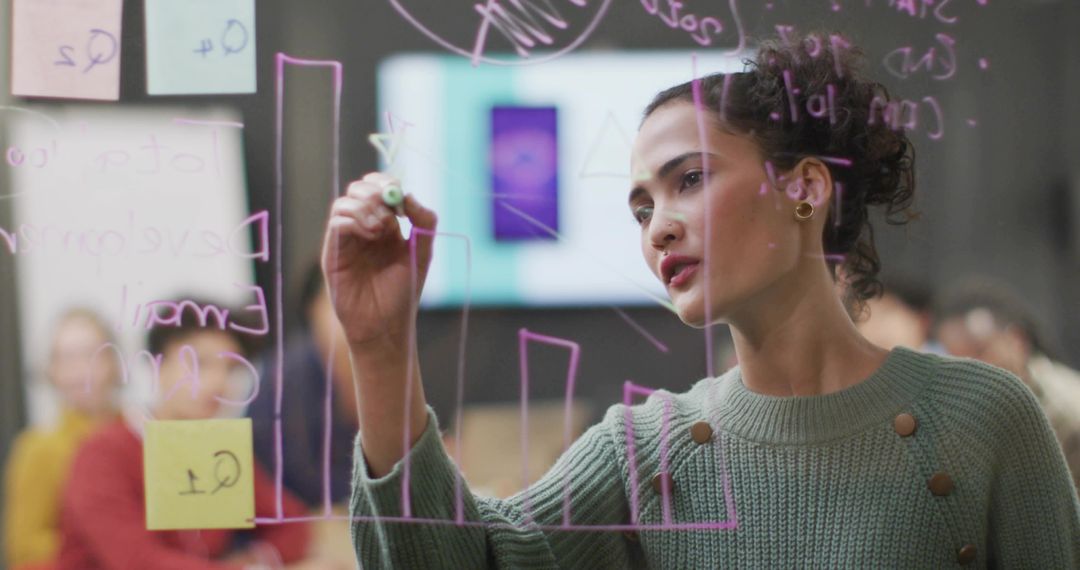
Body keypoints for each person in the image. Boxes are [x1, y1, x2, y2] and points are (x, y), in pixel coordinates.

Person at [325, 33, 1080, 568]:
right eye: (641, 207)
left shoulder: (984, 417)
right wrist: (381, 347)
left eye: (689, 180)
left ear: (804, 187)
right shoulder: (647, 453)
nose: (660, 227)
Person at [56, 300, 337, 570]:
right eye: (200, 363)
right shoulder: (104, 453)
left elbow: (292, 522)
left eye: (230, 368)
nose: (219, 382)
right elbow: (139, 563)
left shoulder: (217, 448)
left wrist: (255, 561)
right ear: (158, 365)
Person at [935, 277, 1080, 492]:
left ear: (1016, 340)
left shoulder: (1067, 409)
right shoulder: (953, 404)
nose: (970, 368)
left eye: (979, 351)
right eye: (955, 358)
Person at [3, 309, 121, 570]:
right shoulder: (38, 448)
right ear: (52, 371)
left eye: (91, 355)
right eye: (66, 358)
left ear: (114, 362)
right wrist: (108, 543)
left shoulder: (139, 434)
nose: (80, 369)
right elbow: (24, 547)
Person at [249, 261, 357, 509]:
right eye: (338, 302)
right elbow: (296, 473)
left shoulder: (353, 366)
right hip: (291, 514)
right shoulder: (289, 373)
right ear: (312, 308)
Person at [856, 276, 943, 353]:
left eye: (886, 313)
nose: (873, 328)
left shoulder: (950, 368)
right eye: (862, 318)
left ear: (922, 318)